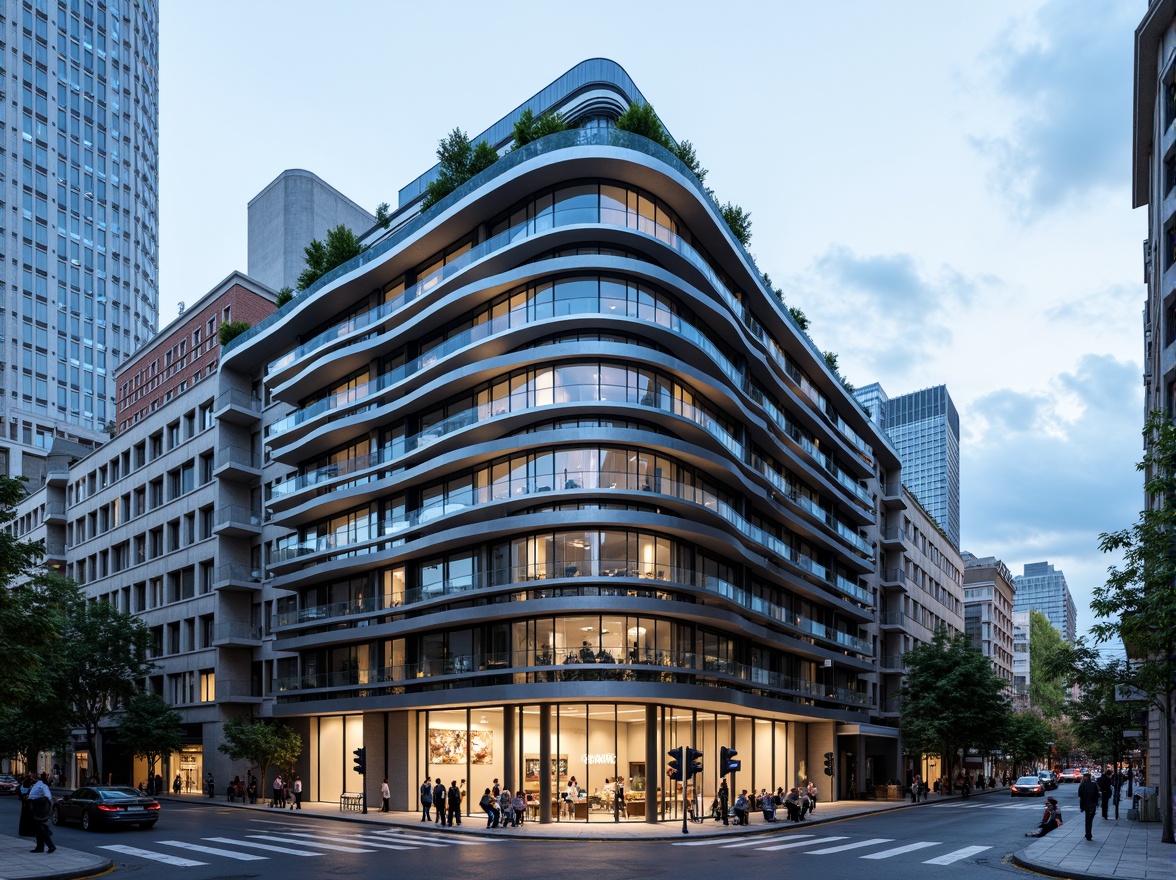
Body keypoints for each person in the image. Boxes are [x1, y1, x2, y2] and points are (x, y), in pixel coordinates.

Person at [27, 772, 55, 853]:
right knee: (38, 829)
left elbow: (48, 796)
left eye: (32, 777)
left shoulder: (42, 786)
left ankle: (50, 846)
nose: (30, 779)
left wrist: (37, 800)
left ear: (34, 778)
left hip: (40, 809)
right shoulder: (35, 785)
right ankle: (40, 847)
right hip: (36, 808)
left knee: (41, 829)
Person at [1078, 772, 1099, 841]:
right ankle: (1088, 834)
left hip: (1085, 805)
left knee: (1087, 820)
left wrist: (1081, 806)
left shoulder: (1082, 785)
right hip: (1092, 805)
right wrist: (1096, 803)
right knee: (1090, 820)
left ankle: (1087, 833)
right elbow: (1097, 795)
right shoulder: (1093, 784)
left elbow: (1080, 795)